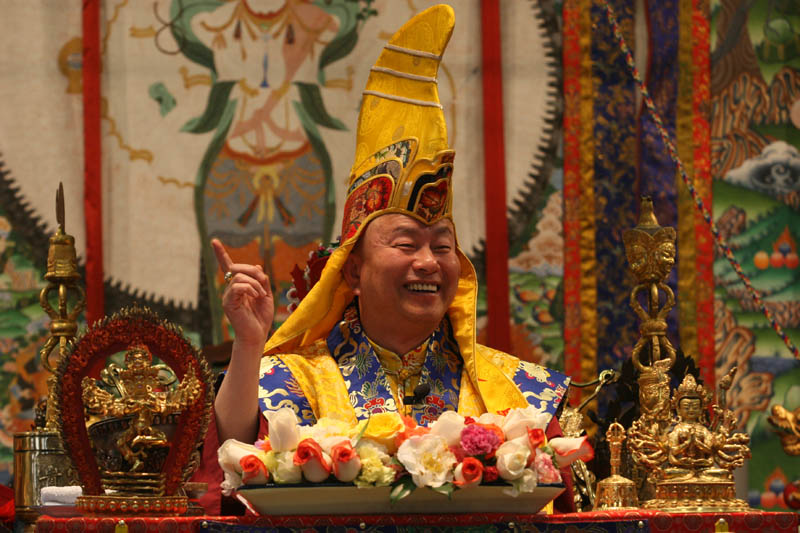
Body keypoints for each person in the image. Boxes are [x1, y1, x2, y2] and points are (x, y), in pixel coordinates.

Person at [194, 4, 574, 514]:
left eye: (443, 246)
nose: (429, 262)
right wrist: (248, 345)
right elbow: (232, 459)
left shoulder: (516, 391)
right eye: (406, 244)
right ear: (353, 269)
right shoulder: (297, 377)